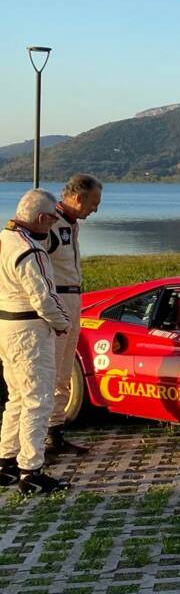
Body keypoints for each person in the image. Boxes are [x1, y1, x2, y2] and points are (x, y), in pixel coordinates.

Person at [0, 189, 71, 495]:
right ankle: (31, 469)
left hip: (6, 324)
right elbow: (43, 297)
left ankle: (6, 461)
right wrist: (62, 323)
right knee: (38, 399)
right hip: (30, 329)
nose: (52, 226)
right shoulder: (31, 251)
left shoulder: (4, 240)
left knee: (16, 396)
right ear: (42, 218)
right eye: (51, 220)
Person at [45, 173, 101, 456]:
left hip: (73, 297)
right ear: (78, 198)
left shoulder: (70, 224)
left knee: (65, 369)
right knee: (52, 369)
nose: (95, 209)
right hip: (58, 299)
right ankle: (39, 434)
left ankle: (55, 431)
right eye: (93, 202)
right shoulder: (49, 224)